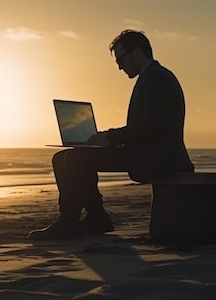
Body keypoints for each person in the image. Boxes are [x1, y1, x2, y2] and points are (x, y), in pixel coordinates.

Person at [28, 29, 194, 240]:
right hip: (149, 152)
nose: (119, 66)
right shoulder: (152, 77)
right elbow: (148, 126)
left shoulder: (156, 78)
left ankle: (71, 221)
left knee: (76, 158)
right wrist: (108, 138)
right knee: (63, 157)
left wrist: (111, 138)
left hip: (159, 158)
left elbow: (152, 124)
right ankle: (95, 217)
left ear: (137, 52)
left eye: (121, 59)